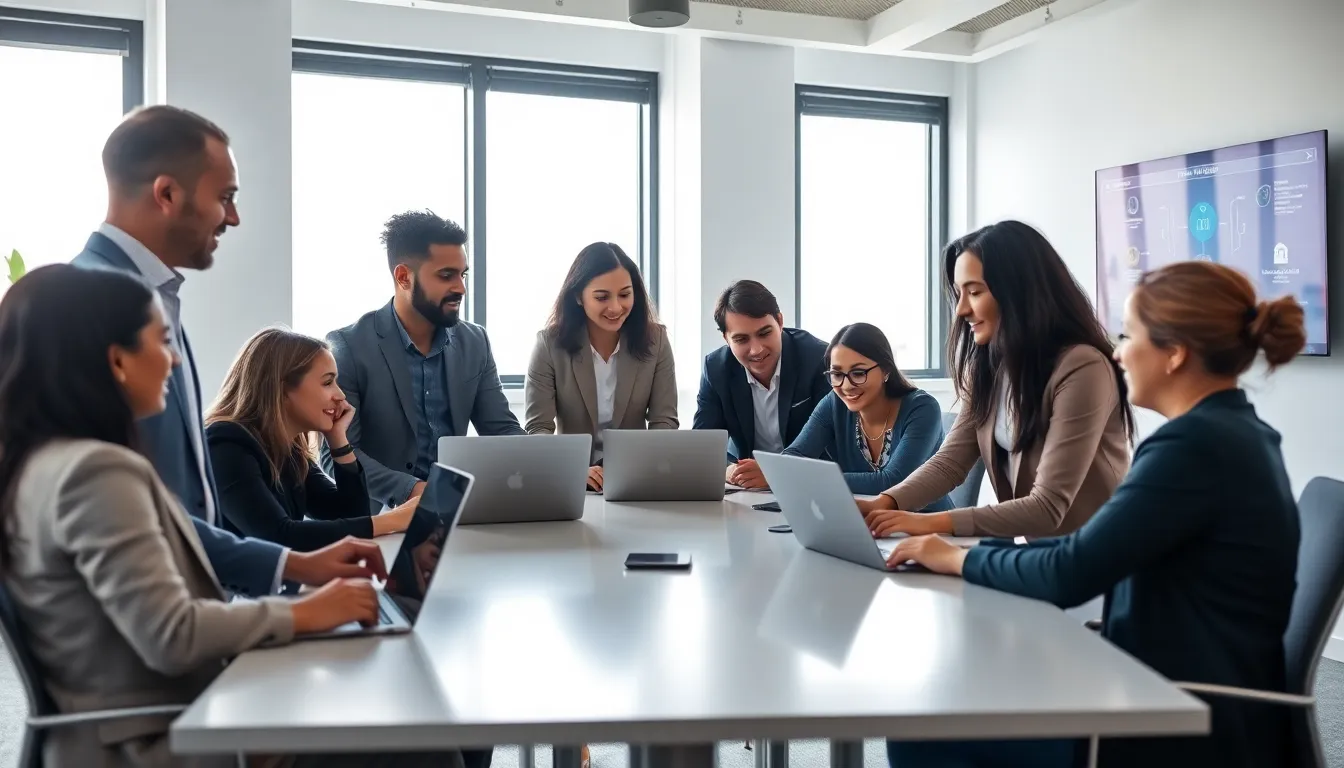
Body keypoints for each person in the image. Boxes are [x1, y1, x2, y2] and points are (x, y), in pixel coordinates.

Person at [0, 265, 472, 768]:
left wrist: (300, 569)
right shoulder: (95, 473)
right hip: (164, 736)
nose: (175, 359)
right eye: (163, 342)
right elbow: (173, 634)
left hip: (178, 709)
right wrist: (306, 614)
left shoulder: (45, 463)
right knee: (432, 738)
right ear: (117, 361)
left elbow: (200, 547)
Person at [885, 260, 1303, 768]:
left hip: (1172, 722)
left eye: (1130, 335)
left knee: (921, 730)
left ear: (1174, 353)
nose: (1118, 352)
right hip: (1164, 686)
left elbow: (1069, 572)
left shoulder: (1193, 449)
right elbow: (1086, 551)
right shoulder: (1233, 433)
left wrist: (955, 558)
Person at [71, 105, 374, 598]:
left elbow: (177, 512)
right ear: (167, 194)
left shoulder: (154, 297)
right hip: (132, 616)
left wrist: (296, 575)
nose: (234, 217)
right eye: (226, 198)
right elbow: (100, 511)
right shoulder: (90, 300)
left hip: (185, 603)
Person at [860, 221, 1134, 538]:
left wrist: (927, 523)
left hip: (1105, 554)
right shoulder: (988, 369)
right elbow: (950, 463)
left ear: (1019, 292)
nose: (961, 309)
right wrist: (884, 503)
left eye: (975, 292)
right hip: (1046, 554)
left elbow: (1047, 506)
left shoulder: (1083, 367)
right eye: (958, 294)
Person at [327, 210, 524, 516]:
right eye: (446, 275)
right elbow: (336, 455)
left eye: (463, 275)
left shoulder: (475, 342)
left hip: (457, 513)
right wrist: (413, 490)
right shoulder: (348, 346)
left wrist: (553, 464)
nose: (461, 287)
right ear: (403, 277)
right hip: (378, 519)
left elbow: (501, 430)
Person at [206, 328, 421, 551]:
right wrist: (392, 520)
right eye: (328, 383)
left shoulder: (289, 450)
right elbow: (279, 537)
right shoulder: (225, 444)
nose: (340, 395)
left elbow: (350, 515)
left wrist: (338, 440)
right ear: (282, 389)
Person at [524, 242, 677, 491]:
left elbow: (664, 422)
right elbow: (537, 428)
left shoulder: (656, 340)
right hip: (574, 480)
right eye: (602, 297)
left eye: (625, 295)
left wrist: (646, 466)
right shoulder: (549, 344)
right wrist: (571, 468)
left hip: (636, 477)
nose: (615, 307)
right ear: (578, 297)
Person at [781, 323, 951, 502]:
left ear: (886, 370)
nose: (846, 386)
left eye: (858, 373)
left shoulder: (922, 409)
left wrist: (810, 479)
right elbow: (791, 459)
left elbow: (893, 481)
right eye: (837, 374)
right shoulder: (834, 403)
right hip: (859, 515)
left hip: (923, 517)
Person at [693, 280, 829, 490]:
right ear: (726, 338)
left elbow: (833, 447)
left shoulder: (818, 359)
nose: (756, 350)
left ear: (780, 322)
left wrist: (777, 473)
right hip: (748, 489)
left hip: (807, 487)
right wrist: (727, 470)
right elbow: (703, 447)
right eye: (741, 339)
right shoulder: (716, 369)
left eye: (764, 333)